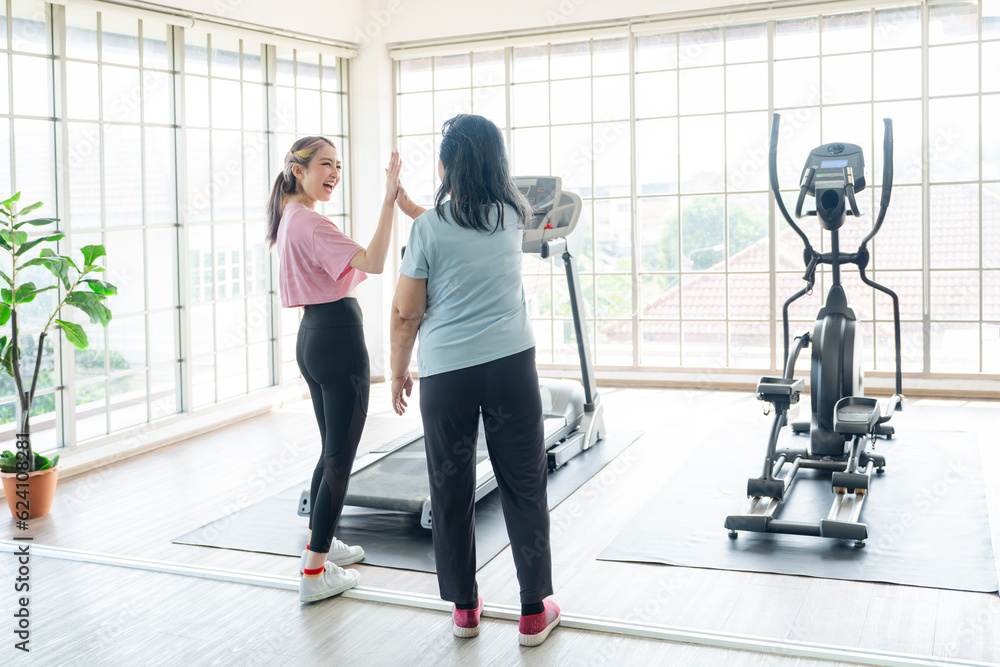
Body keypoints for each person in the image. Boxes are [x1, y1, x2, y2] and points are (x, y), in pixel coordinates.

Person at [389, 114, 560, 646]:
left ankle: (465, 609)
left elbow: (405, 314)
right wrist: (412, 207)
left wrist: (396, 371)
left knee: (450, 487)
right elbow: (461, 230)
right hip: (510, 367)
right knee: (524, 483)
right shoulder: (511, 214)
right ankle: (534, 611)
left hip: (447, 374)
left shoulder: (427, 229)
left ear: (447, 163)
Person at [266, 136, 401, 603]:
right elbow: (376, 262)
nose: (334, 173)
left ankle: (323, 543)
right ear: (297, 170)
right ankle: (314, 571)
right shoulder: (310, 222)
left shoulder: (287, 219)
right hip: (339, 338)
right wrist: (389, 203)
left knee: (330, 450)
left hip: (312, 337)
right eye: (326, 164)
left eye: (338, 166)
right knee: (341, 457)